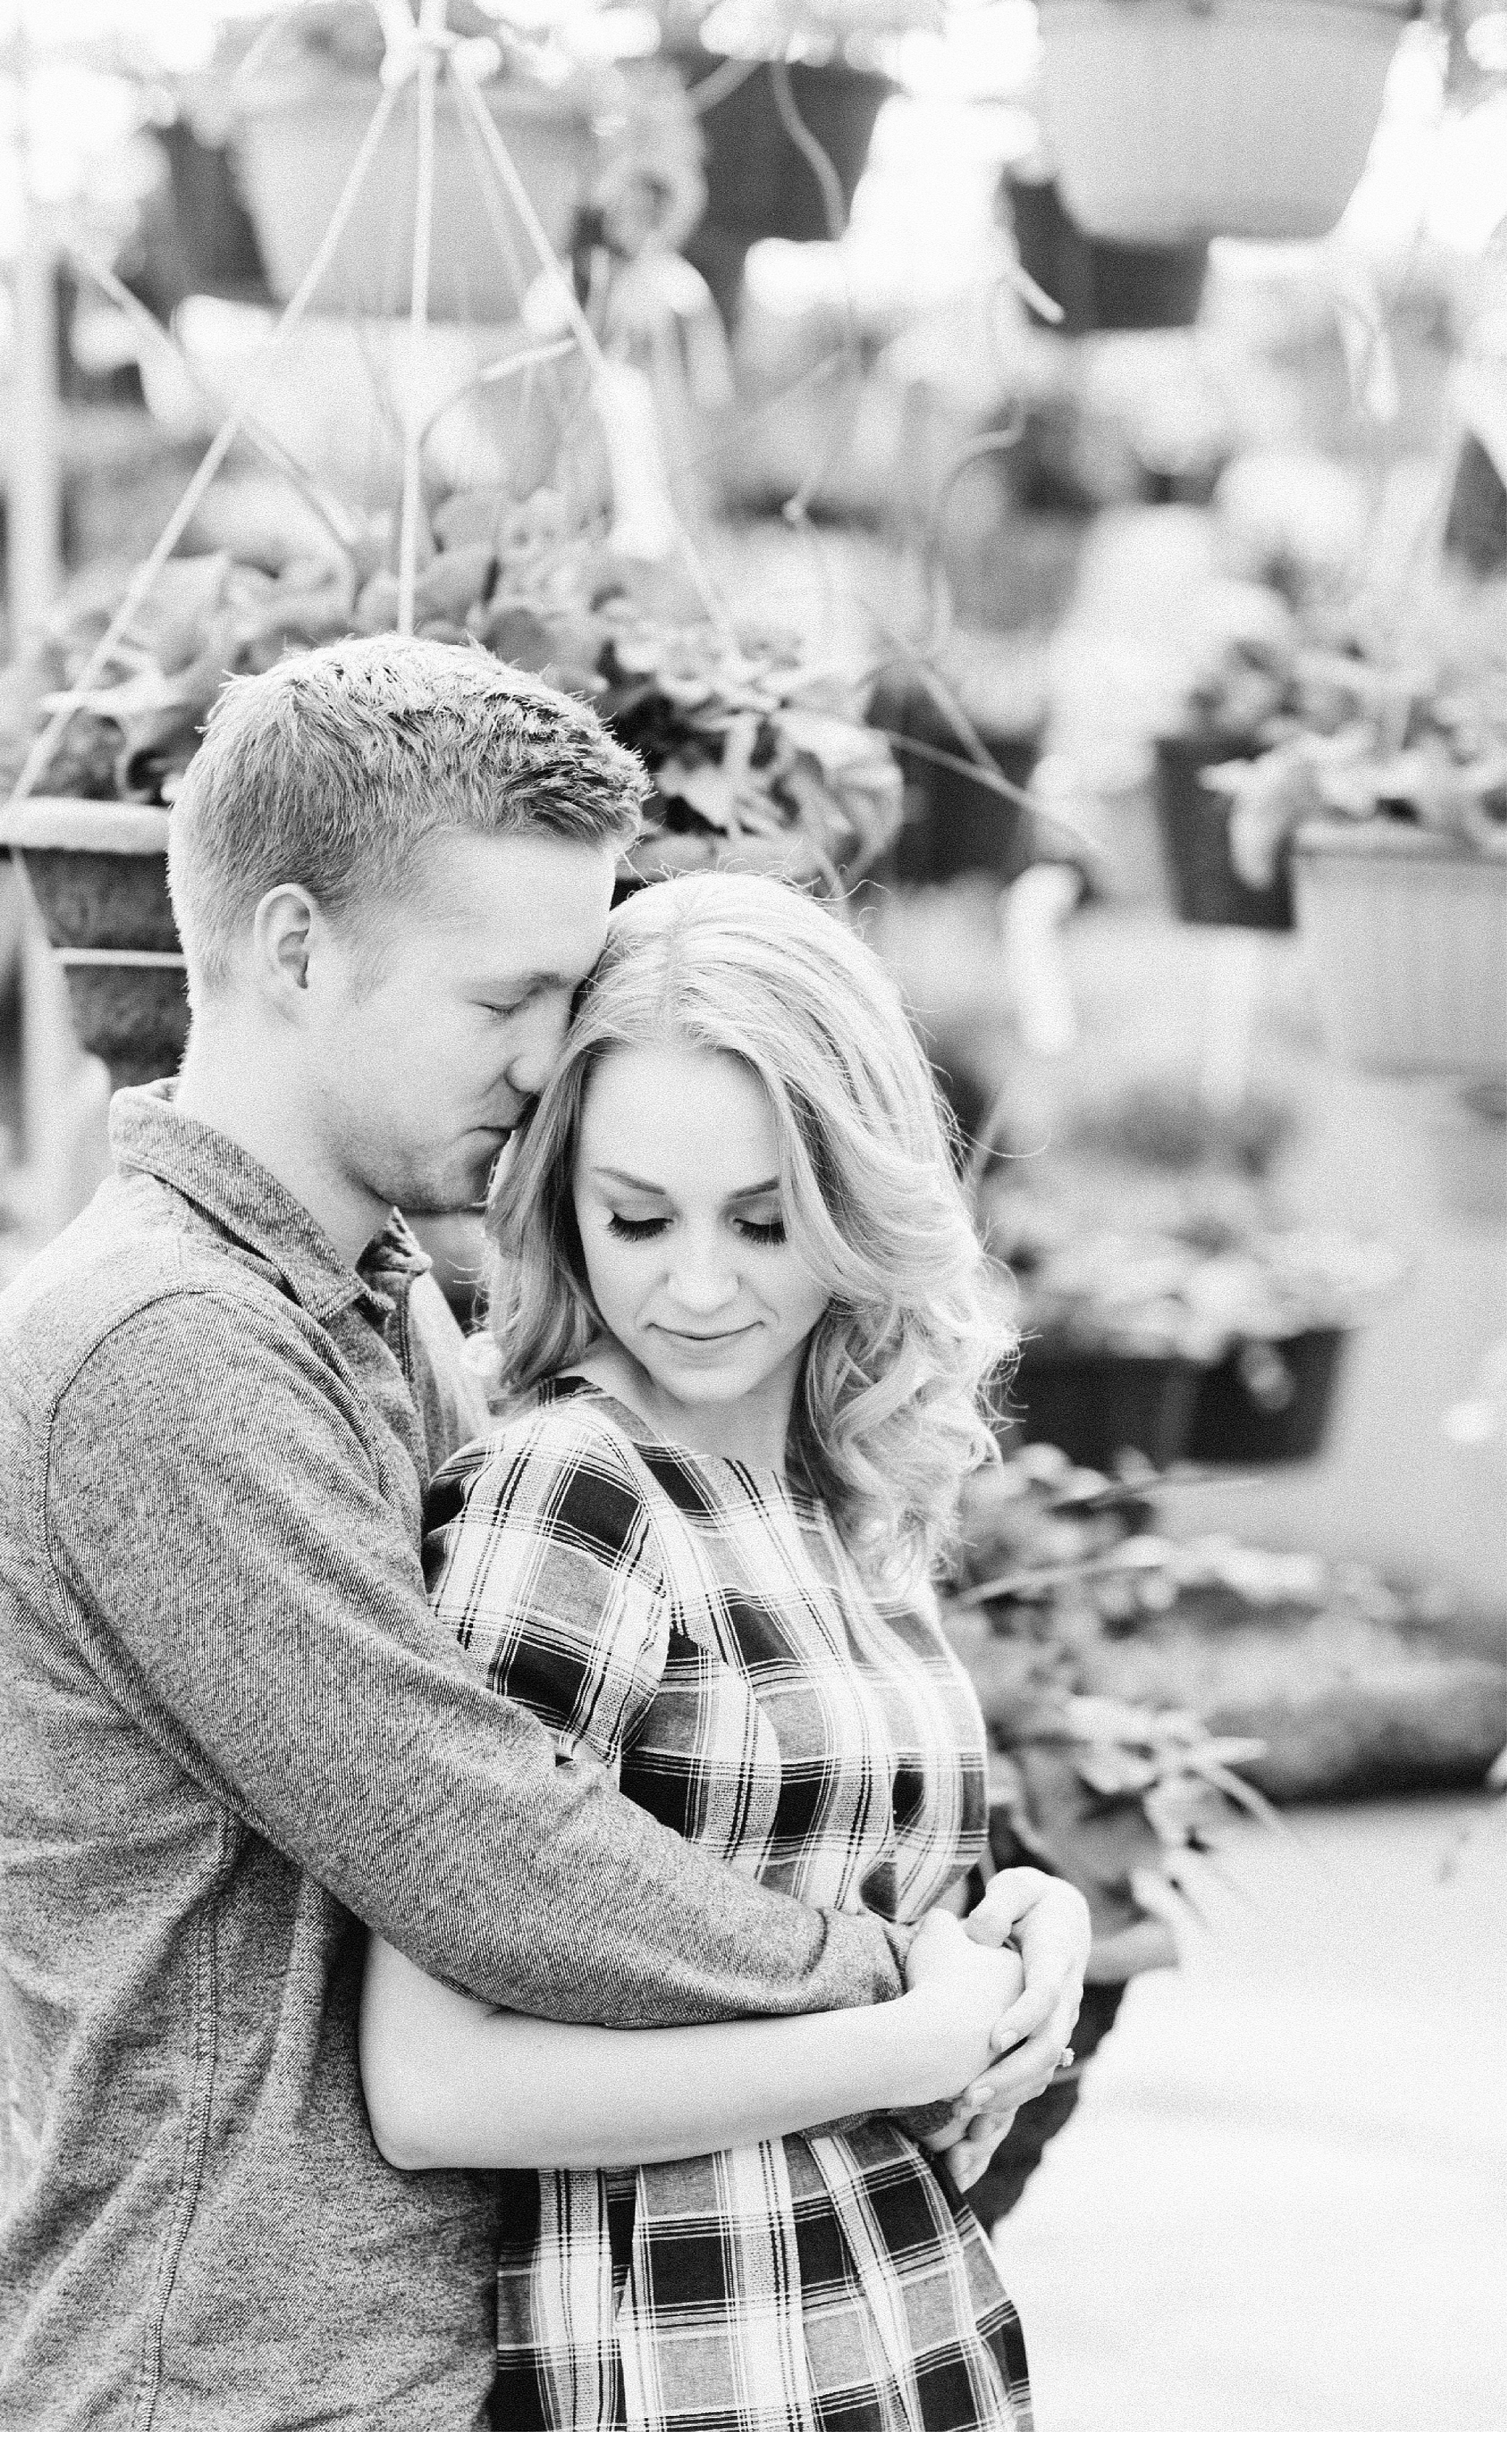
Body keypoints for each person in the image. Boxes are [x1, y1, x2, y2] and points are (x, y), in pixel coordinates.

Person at [0, 636, 1085, 2431]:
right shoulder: (158, 1343)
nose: (549, 1058)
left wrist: (1000, 1925)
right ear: (296, 948)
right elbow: (475, 1833)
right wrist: (885, 1982)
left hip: (388, 2361)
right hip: (207, 2375)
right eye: (506, 1000)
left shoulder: (373, 1312)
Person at [360, 872, 1081, 2430]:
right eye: (635, 1217)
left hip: (900, 2339)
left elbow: (858, 1903)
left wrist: (1026, 1932)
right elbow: (434, 2087)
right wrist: (896, 2044)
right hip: (685, 2370)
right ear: (560, 1200)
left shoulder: (838, 1489)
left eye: (764, 1221)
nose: (695, 1286)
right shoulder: (570, 1495)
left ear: (853, 1196)